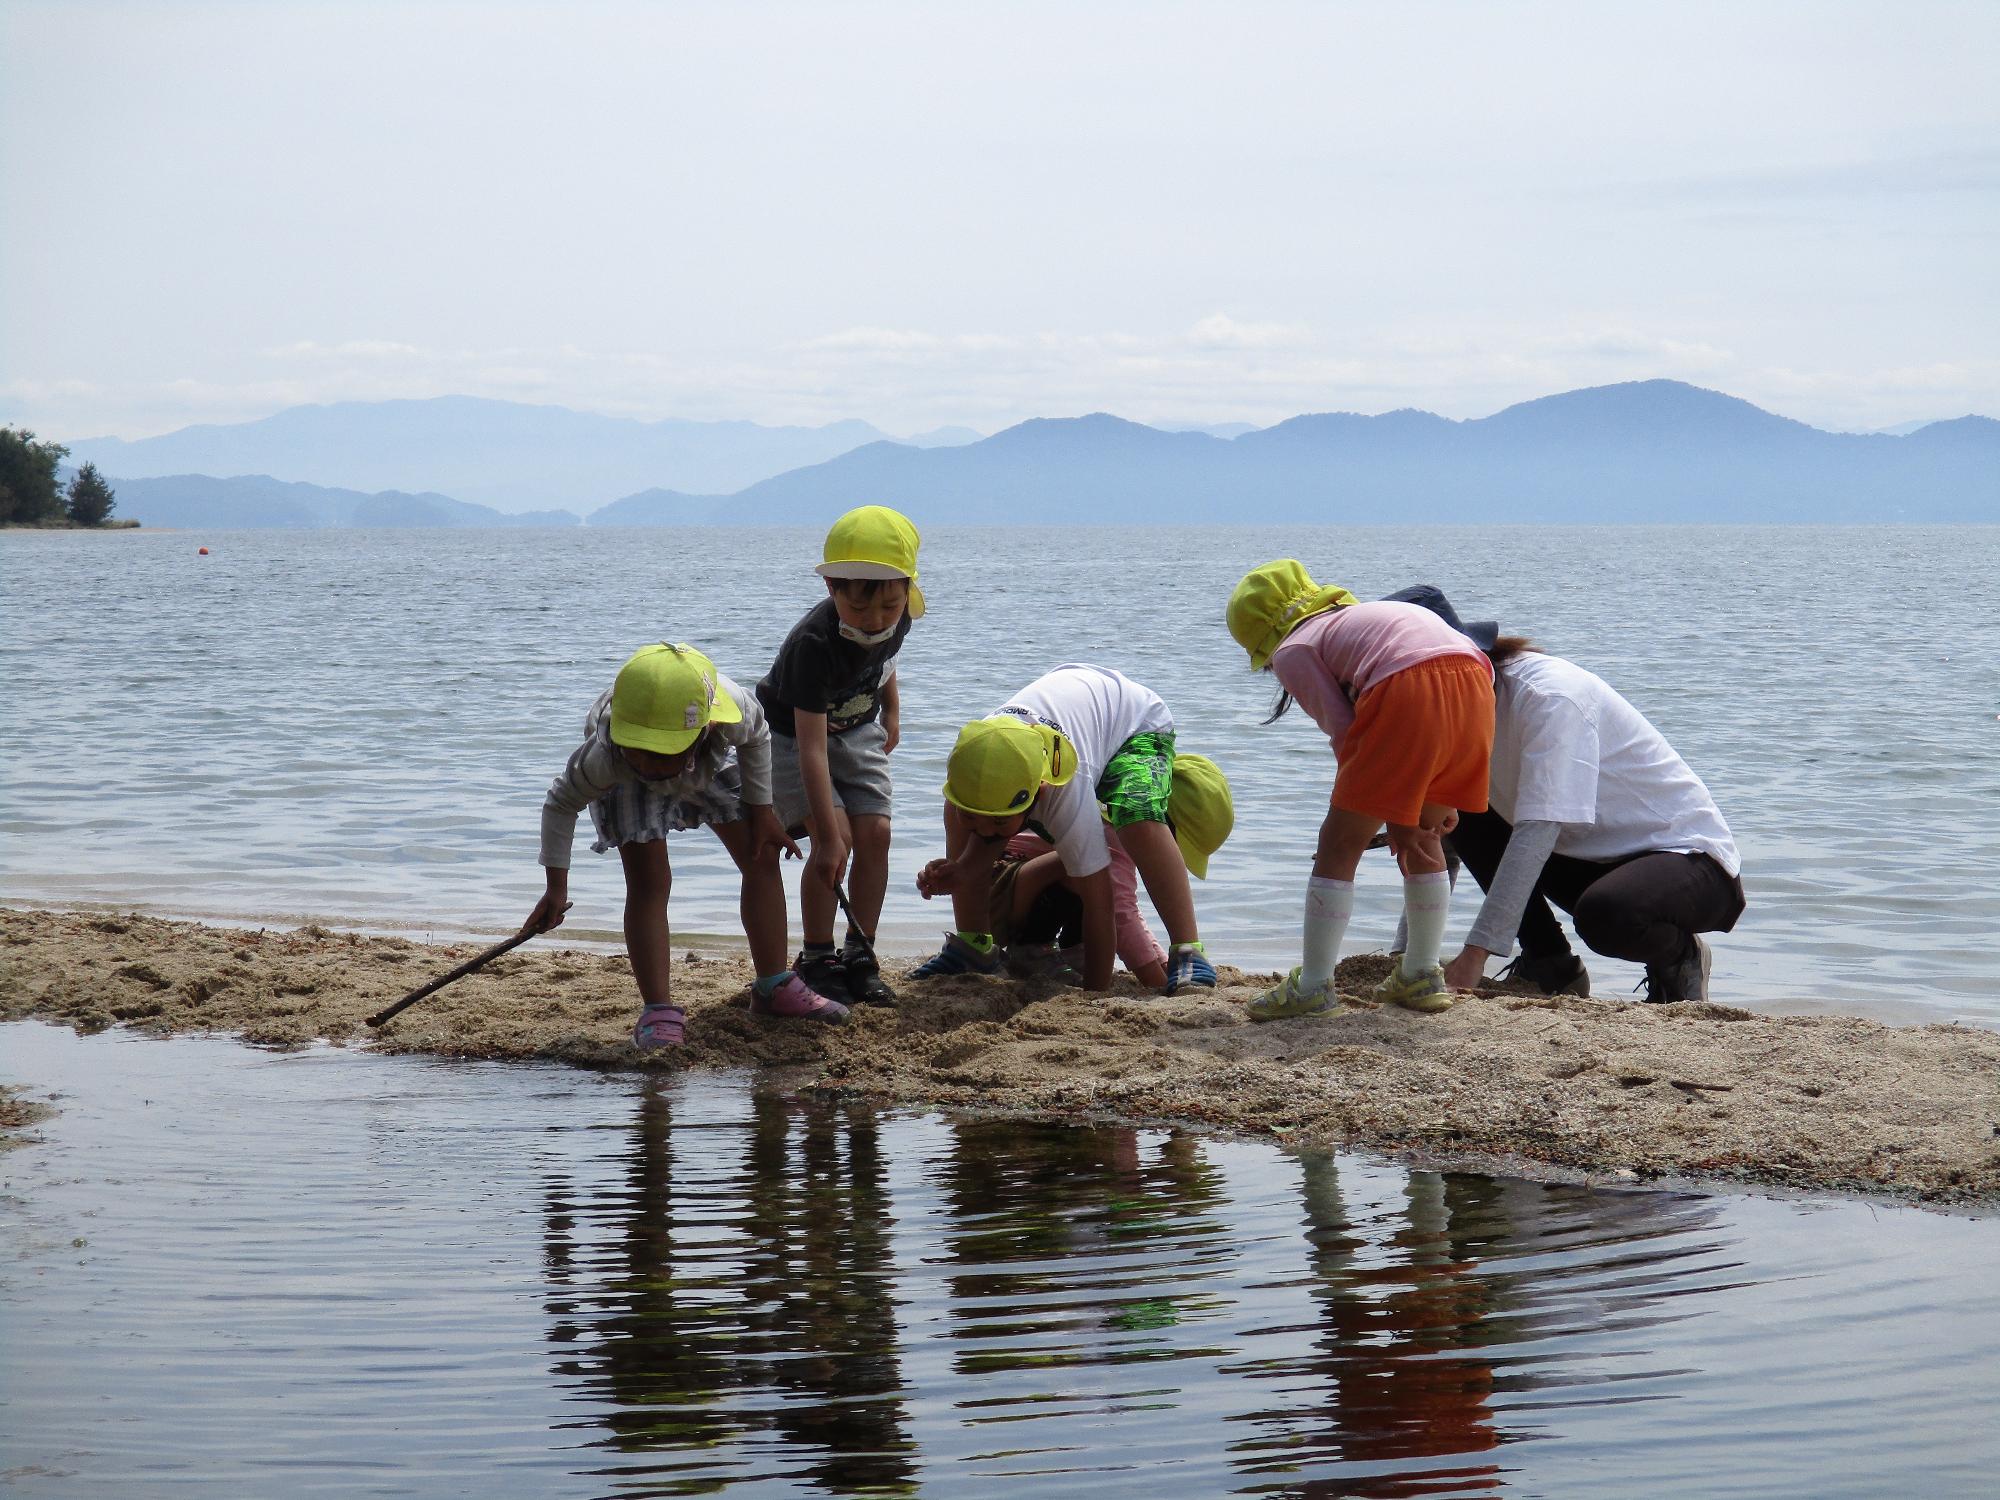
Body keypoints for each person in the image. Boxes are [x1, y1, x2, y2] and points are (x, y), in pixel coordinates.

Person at [1386, 586, 1744, 1004]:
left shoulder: (1550, 696)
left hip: (1688, 863)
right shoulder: (1446, 710)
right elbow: (1438, 833)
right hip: (1583, 857)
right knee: (1459, 808)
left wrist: (1474, 957)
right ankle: (1549, 963)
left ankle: (1680, 957)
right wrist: (1409, 952)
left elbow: (1537, 831)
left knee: (1607, 915)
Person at [525, 642, 848, 1049]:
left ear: (706, 729)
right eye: (642, 751)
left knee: (760, 855)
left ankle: (772, 986)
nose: (652, 766)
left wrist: (764, 812)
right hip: (627, 787)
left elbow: (758, 737)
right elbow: (560, 804)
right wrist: (556, 889)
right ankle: (657, 1010)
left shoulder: (730, 710)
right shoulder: (609, 758)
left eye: (662, 756)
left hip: (703, 764)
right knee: (649, 883)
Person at [1226, 560, 1495, 1019]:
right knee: (1426, 836)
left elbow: (1346, 732)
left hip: (1408, 687)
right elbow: (1461, 667)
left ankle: (1312, 987)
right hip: (1474, 683)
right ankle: (1421, 973)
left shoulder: (1296, 647)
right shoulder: (1361, 618)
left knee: (1339, 842)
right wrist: (1430, 798)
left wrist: (1394, 808)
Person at [911, 666, 1222, 993]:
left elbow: (1101, 901)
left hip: (1135, 722)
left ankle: (1188, 951)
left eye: (1000, 822)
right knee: (968, 826)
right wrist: (961, 869)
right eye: (972, 815)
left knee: (1136, 816)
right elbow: (982, 837)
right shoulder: (969, 773)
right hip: (1059, 718)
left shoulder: (1066, 792)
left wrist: (1095, 993)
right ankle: (974, 947)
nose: (985, 830)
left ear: (1040, 793)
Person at [756, 506, 923, 1009]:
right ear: (832, 589)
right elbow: (808, 745)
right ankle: (817, 955)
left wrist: (892, 711)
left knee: (877, 833)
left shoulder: (900, 615)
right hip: (791, 739)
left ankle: (860, 952)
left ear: (905, 590)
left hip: (858, 731)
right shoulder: (814, 644)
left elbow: (885, 661)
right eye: (859, 609)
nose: (874, 621)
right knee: (841, 841)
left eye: (888, 608)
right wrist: (825, 839)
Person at [952, 753, 1234, 986]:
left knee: (1093, 878)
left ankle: (1074, 952)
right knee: (1092, 873)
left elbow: (1127, 910)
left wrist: (1161, 959)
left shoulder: (1108, 814)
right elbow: (1122, 916)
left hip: (1010, 890)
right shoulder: (1109, 828)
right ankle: (1032, 950)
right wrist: (1155, 980)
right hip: (995, 895)